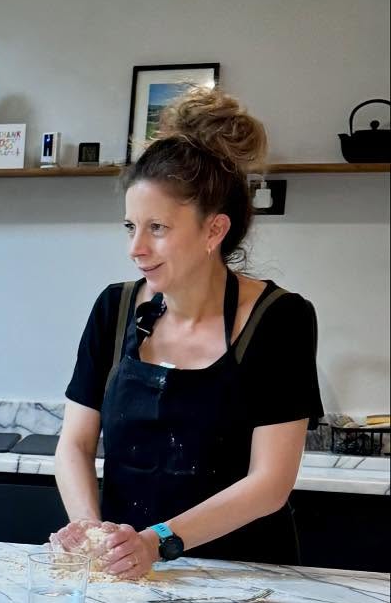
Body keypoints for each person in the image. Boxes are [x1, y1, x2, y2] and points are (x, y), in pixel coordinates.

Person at [55, 89, 321, 578]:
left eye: (157, 227)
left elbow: (271, 482)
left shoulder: (279, 319)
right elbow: (73, 444)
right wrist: (93, 532)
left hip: (245, 583)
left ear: (214, 230)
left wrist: (157, 541)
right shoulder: (113, 309)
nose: (136, 248)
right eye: (130, 225)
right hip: (129, 576)